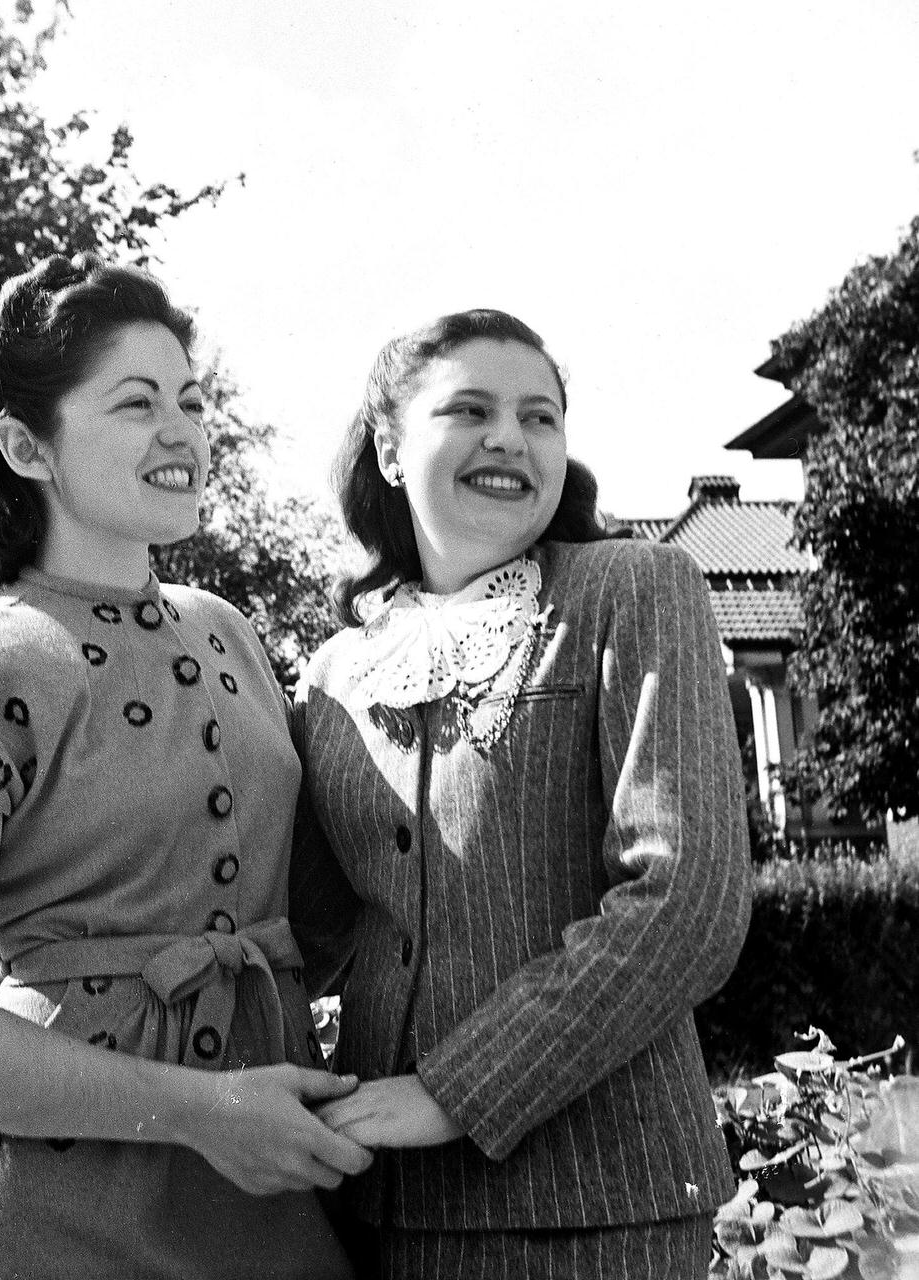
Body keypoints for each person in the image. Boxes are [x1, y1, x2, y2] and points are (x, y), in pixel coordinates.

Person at [0, 255, 368, 1280]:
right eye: (136, 403)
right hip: (51, 1209)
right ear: (24, 444)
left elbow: (327, 908)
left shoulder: (230, 632)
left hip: (270, 1190)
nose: (182, 430)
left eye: (190, 399)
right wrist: (203, 1110)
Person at [289, 309, 753, 1278]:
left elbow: (686, 899)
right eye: (470, 408)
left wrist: (455, 1089)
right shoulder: (331, 671)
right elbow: (308, 933)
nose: (510, 437)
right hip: (380, 1212)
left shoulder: (634, 589)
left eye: (539, 417)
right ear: (387, 445)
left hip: (596, 1210)